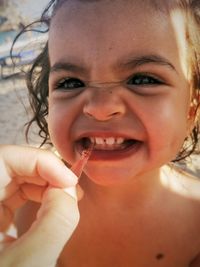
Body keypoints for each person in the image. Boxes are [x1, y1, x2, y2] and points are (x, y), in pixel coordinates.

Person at [1, 0, 200, 266]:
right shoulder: (18, 205)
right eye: (71, 83)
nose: (99, 108)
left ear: (191, 109)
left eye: (142, 79)